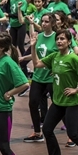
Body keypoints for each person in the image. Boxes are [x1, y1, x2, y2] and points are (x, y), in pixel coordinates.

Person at [24, 12, 57, 142]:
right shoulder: (39, 37)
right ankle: (37, 132)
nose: (43, 24)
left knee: (59, 104)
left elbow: (64, 55)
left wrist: (57, 70)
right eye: (42, 21)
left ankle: (71, 134)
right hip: (38, 76)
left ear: (53, 23)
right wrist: (23, 58)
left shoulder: (57, 37)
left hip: (51, 77)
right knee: (33, 103)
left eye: (46, 21)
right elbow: (36, 55)